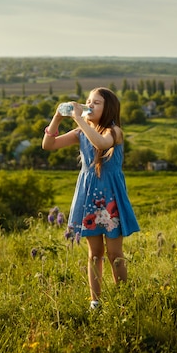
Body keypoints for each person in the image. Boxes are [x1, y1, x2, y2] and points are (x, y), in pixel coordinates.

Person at [42, 87, 140, 310]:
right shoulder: (81, 132)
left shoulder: (114, 131)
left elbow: (101, 144)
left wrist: (78, 118)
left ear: (109, 108)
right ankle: (95, 302)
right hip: (88, 197)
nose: (89, 105)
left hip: (110, 198)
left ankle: (124, 299)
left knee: (115, 252)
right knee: (94, 253)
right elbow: (49, 145)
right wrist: (57, 117)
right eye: (88, 101)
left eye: (96, 102)